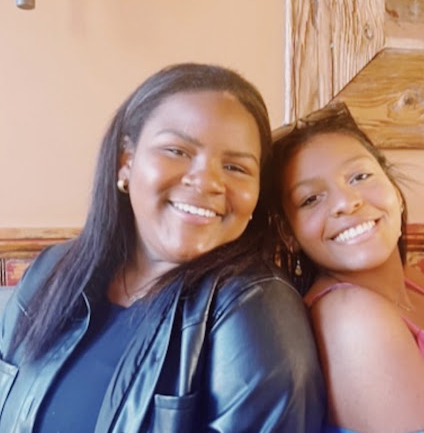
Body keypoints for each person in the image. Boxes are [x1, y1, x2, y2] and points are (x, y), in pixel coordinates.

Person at [0, 63, 325, 432]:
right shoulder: (53, 270)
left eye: (236, 168)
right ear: (126, 163)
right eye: (177, 151)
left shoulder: (255, 308)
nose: (207, 181)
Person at [271, 100, 424, 433]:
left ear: (395, 192)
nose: (347, 201)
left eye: (359, 176)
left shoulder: (412, 282)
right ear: (289, 234)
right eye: (311, 198)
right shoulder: (351, 317)